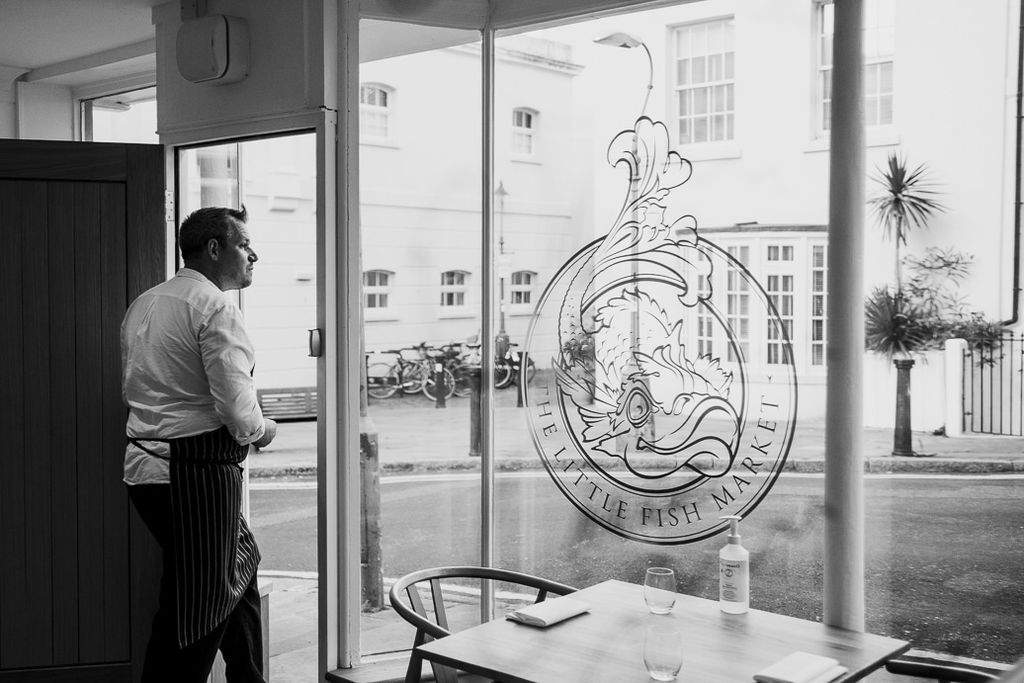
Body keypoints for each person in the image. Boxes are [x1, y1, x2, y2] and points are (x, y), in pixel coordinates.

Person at [121, 205, 278, 683]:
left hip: (146, 472)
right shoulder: (214, 308)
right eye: (244, 244)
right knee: (196, 614)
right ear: (214, 248)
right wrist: (264, 431)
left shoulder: (145, 303)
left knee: (241, 572)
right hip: (193, 479)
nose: (254, 254)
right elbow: (236, 409)